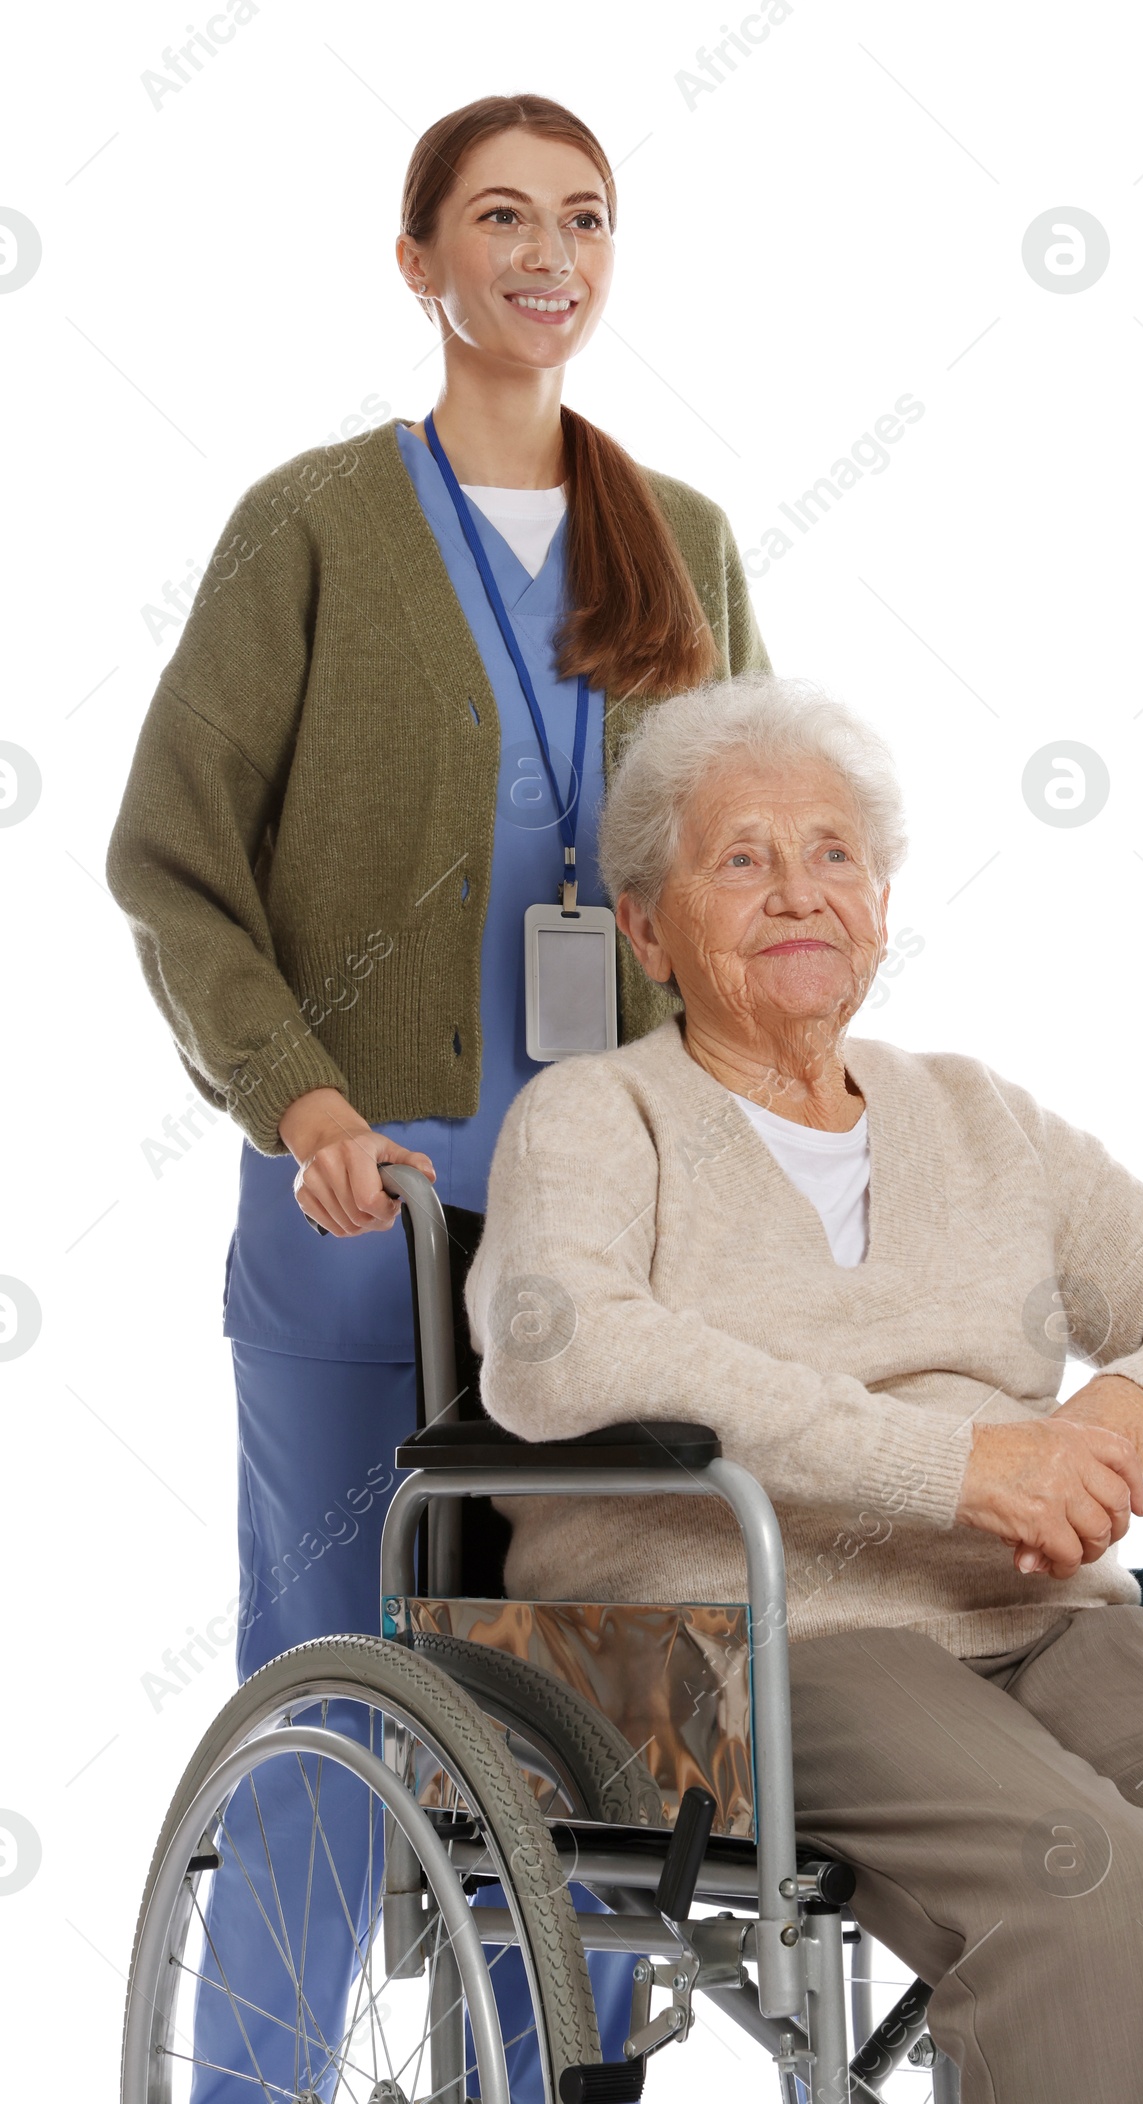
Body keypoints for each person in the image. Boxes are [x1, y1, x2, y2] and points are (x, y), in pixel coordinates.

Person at [464, 672, 1143, 2104]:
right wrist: (959, 1466)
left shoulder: (979, 1120)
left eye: (834, 853)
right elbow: (562, 1348)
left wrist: (1116, 1419)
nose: (799, 892)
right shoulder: (601, 1120)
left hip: (1034, 1617)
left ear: (884, 904)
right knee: (1092, 1893)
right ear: (649, 928)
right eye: (743, 858)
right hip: (748, 1639)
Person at [105, 91, 768, 2101]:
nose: (543, 255)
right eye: (497, 217)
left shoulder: (689, 541)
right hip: (364, 1211)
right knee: (332, 1699)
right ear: (419, 261)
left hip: (609, 1243)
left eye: (581, 218)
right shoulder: (311, 528)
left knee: (575, 1727)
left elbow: (751, 874)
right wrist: (301, 1103)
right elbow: (172, 863)